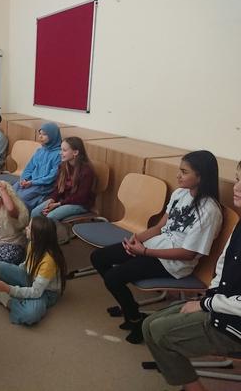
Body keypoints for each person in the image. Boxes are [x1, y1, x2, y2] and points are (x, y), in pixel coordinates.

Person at [90, 150, 223, 344]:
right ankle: (129, 307)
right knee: (98, 257)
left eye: (184, 172)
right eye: (180, 170)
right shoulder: (180, 193)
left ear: (201, 177)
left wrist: (144, 251)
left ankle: (134, 318)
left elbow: (188, 253)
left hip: (173, 263)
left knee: (113, 277)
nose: (178, 175)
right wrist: (135, 239)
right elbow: (160, 227)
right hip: (151, 248)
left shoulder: (209, 211)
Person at [142, 160, 241, 391]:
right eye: (237, 179)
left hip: (233, 320)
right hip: (221, 304)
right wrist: (211, 295)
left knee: (159, 331)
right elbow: (223, 267)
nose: (237, 187)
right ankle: (189, 382)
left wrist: (207, 303)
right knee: (148, 324)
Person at [31, 136, 95, 222]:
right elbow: (58, 188)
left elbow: (81, 197)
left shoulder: (87, 171)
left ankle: (51, 235)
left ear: (75, 152)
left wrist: (59, 204)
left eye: (64, 150)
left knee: (50, 217)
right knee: (35, 212)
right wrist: (52, 200)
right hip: (63, 201)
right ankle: (33, 234)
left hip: (80, 204)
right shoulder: (62, 166)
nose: (60, 153)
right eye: (61, 150)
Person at [11, 123, 62, 211]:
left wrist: (32, 183)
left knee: (21, 198)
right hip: (30, 181)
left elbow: (51, 177)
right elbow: (29, 167)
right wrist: (24, 179)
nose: (40, 137)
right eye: (40, 134)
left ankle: (23, 217)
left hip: (44, 185)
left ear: (53, 136)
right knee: (11, 192)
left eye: (44, 134)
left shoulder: (59, 154)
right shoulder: (40, 150)